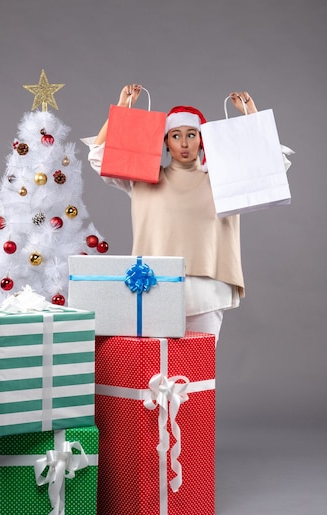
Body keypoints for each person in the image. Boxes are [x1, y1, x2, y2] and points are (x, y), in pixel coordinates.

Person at [85, 84, 292, 342]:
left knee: (199, 373)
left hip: (208, 291)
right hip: (155, 289)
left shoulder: (223, 180)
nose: (184, 143)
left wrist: (251, 114)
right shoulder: (144, 179)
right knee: (155, 372)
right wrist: (122, 110)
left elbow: (271, 163)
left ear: (202, 140)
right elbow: (98, 155)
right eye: (176, 135)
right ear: (165, 143)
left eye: (192, 135)